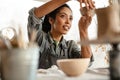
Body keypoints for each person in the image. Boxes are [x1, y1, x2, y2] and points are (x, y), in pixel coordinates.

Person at [27, 0, 94, 69]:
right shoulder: (40, 39)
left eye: (70, 18)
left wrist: (83, 30)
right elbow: (35, 15)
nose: (68, 22)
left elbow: (86, 62)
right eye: (63, 16)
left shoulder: (70, 46)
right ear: (51, 20)